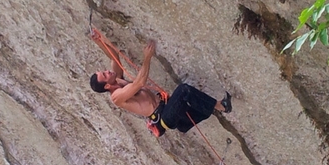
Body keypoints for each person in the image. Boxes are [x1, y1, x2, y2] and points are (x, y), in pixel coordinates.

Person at [89, 31, 232, 137]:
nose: (107, 71)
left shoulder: (117, 80)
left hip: (166, 106)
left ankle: (185, 123)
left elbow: (114, 56)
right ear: (107, 86)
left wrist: (99, 41)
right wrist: (147, 58)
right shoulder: (117, 97)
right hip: (164, 117)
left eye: (104, 71)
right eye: (105, 75)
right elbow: (139, 83)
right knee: (184, 91)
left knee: (196, 110)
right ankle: (222, 106)